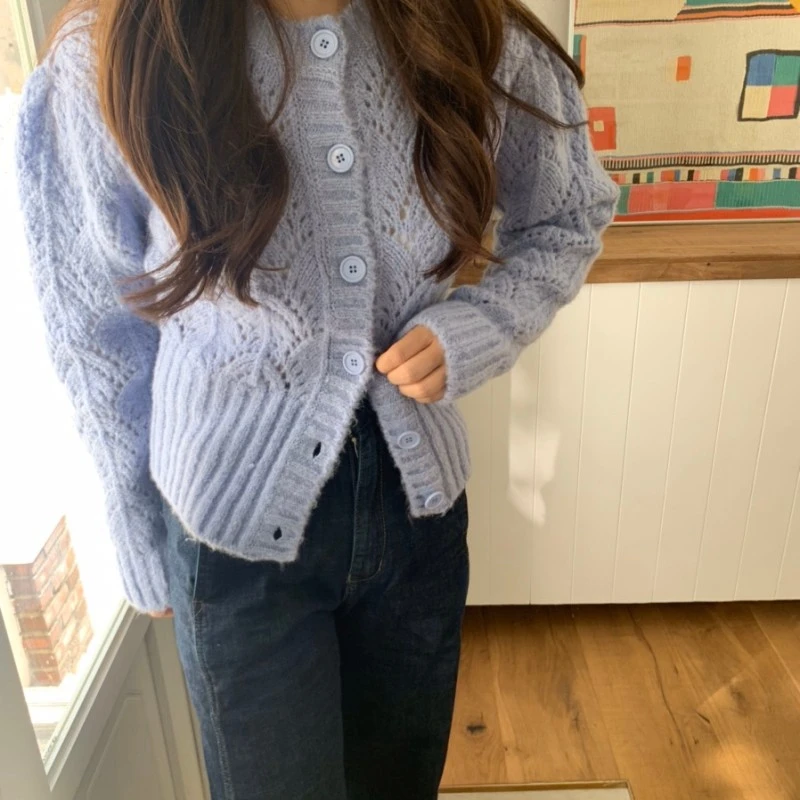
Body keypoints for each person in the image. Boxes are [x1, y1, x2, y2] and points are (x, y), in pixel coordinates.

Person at [14, 0, 619, 796]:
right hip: (232, 540)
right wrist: (134, 526)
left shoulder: (465, 25)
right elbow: (95, 330)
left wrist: (481, 326)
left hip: (417, 521)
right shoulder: (113, 52)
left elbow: (569, 213)